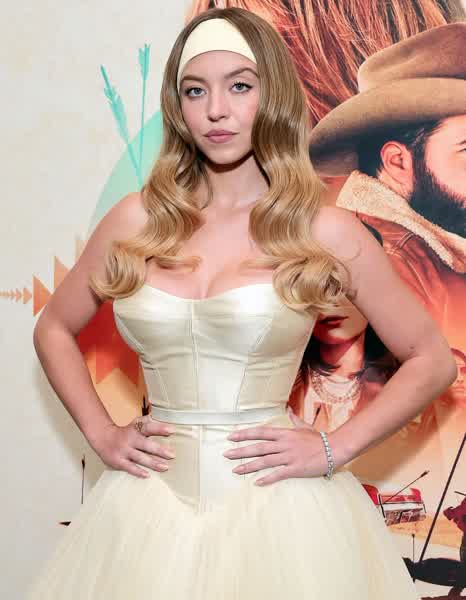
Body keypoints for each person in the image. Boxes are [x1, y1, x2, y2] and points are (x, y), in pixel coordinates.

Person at [28, 7, 456, 599]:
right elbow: (52, 328)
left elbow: (432, 359)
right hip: (145, 508)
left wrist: (333, 447)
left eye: (239, 86)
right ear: (178, 107)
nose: (216, 110)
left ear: (272, 95)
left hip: (280, 511)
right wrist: (102, 434)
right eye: (195, 90)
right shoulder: (134, 220)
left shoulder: (324, 230)